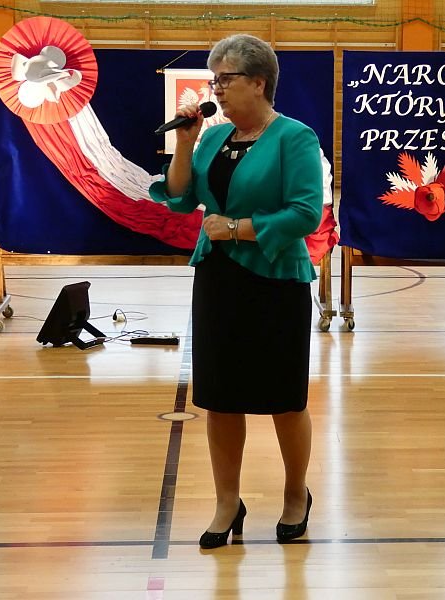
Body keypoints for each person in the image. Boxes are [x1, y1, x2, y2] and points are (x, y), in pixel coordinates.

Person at [148, 34, 323, 549]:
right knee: (220, 398)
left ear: (259, 82)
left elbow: (306, 213)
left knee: (284, 398)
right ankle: (228, 501)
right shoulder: (212, 138)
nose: (217, 89)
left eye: (226, 79)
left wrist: (238, 228)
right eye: (214, 80)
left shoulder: (295, 137)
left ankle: (295, 494)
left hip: (275, 280)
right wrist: (185, 143)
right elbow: (179, 198)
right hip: (219, 279)